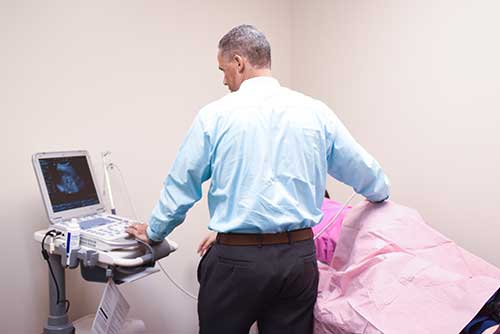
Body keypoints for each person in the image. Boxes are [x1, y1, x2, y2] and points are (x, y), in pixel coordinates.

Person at [126, 24, 390, 334]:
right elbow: (366, 172)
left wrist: (155, 232)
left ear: (239, 62)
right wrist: (379, 193)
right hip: (298, 261)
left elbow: (183, 185)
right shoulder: (316, 112)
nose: (224, 80)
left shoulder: (215, 116)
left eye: (223, 70)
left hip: (237, 262)